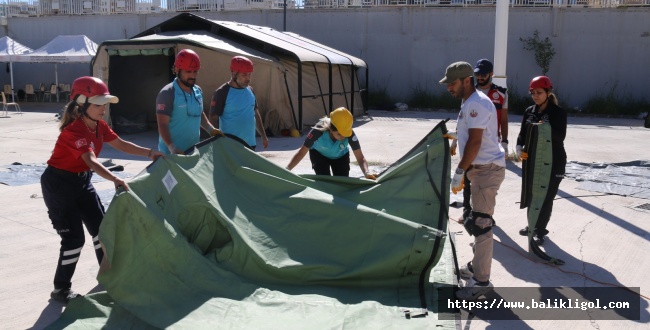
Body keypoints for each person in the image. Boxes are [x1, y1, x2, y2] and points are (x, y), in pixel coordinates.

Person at [41, 76, 164, 304]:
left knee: (102, 230)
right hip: (59, 186)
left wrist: (150, 153)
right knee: (74, 240)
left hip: (81, 182)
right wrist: (115, 178)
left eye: (105, 103)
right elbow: (91, 161)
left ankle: (109, 274)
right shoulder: (73, 132)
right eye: (98, 104)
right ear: (81, 104)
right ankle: (61, 289)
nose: (103, 108)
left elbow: (120, 144)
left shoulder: (99, 126)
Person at [440, 62, 505, 300]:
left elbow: (476, 142)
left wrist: (459, 171)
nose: (449, 88)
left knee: (482, 225)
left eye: (452, 83)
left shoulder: (476, 103)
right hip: (478, 170)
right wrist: (456, 136)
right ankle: (476, 267)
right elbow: (472, 133)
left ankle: (481, 283)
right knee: (475, 220)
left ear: (466, 80)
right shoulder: (468, 102)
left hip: (486, 170)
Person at [454, 59, 510, 223]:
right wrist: (455, 139)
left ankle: (484, 216)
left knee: (485, 185)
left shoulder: (501, 94)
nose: (480, 78)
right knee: (467, 178)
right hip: (471, 141)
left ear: (491, 74)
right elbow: (463, 120)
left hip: (490, 142)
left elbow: (504, 119)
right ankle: (467, 213)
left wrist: (505, 142)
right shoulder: (469, 93)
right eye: (477, 74)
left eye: (483, 74)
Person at [516, 76, 567, 245]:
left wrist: (543, 127)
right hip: (533, 160)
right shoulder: (530, 111)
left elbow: (560, 137)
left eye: (539, 93)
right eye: (533, 93)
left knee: (546, 196)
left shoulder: (558, 113)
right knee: (532, 195)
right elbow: (523, 133)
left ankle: (540, 230)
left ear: (548, 92)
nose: (536, 96)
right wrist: (519, 147)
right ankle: (532, 225)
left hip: (554, 161)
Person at [156, 49, 223, 155]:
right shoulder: (167, 93)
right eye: (188, 71)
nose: (193, 76)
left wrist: (211, 129)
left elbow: (199, 114)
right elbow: (162, 124)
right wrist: (171, 147)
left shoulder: (198, 91)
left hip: (193, 152)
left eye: (195, 71)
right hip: (171, 155)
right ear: (177, 69)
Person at [285, 107, 376, 179]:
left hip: (340, 157)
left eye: (345, 134)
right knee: (324, 183)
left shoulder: (349, 134)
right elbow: (301, 153)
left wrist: (366, 172)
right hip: (319, 156)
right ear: (331, 129)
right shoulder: (318, 130)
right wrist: (287, 170)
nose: (343, 137)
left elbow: (360, 158)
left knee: (342, 184)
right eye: (339, 134)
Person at [209, 55, 268, 150]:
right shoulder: (222, 92)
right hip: (230, 146)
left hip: (250, 144)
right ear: (234, 74)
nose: (248, 78)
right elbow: (213, 118)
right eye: (244, 75)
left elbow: (255, 113)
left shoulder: (250, 90)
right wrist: (216, 140)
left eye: (249, 74)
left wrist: (263, 136)